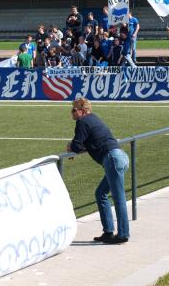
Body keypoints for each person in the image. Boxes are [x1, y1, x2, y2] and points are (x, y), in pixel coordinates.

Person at [67, 98, 129, 244]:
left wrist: (71, 147)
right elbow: (89, 144)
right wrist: (76, 147)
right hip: (120, 157)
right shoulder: (94, 119)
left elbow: (77, 145)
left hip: (112, 159)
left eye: (74, 109)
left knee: (118, 197)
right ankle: (108, 232)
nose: (72, 113)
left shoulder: (82, 122)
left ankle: (123, 235)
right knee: (100, 193)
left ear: (83, 110)